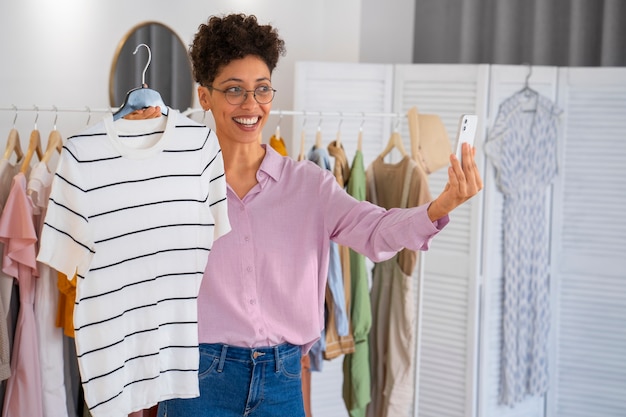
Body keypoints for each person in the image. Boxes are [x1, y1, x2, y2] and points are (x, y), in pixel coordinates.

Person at [142, 12, 483, 417]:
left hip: (282, 381)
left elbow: (375, 230)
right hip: (198, 381)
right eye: (234, 90)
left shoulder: (310, 185)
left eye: (262, 89)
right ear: (204, 96)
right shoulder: (174, 183)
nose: (251, 104)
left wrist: (440, 206)